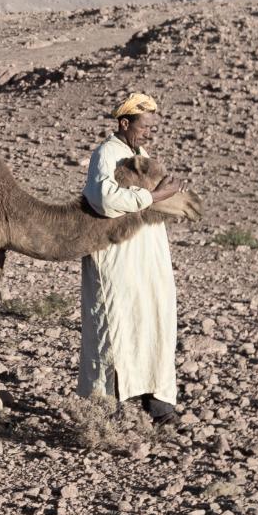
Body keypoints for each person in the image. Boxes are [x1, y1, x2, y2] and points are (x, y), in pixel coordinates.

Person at [78, 91, 185, 423]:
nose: (149, 132)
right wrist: (154, 196)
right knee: (117, 326)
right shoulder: (106, 154)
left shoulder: (140, 153)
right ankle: (107, 408)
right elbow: (103, 199)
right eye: (144, 126)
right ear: (124, 123)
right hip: (119, 259)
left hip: (147, 257)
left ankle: (159, 402)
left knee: (154, 319)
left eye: (152, 126)